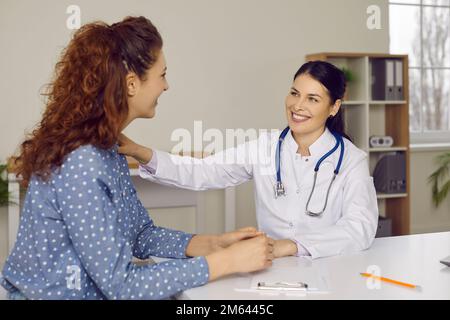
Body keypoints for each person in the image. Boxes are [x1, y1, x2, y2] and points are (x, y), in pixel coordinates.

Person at [0, 16, 275, 300]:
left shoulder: (109, 148)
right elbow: (122, 285)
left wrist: (211, 245)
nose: (166, 86)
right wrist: (225, 263)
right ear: (132, 84)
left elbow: (141, 234)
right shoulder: (82, 163)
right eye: (162, 74)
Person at [119, 60, 379, 260]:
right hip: (272, 267)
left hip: (330, 269)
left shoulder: (351, 160)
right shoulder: (265, 147)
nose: (297, 105)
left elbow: (360, 228)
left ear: (333, 107)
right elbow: (203, 171)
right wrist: (144, 153)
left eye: (312, 99)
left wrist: (291, 246)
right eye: (294, 93)